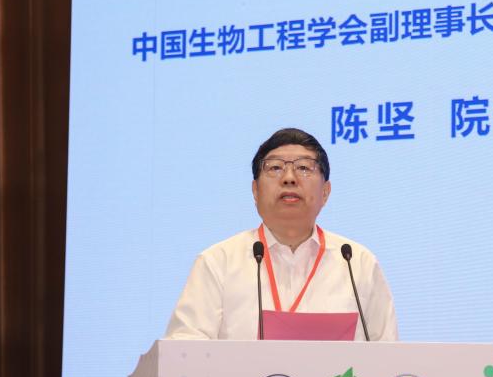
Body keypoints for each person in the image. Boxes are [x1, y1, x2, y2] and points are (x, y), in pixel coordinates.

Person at [165, 127, 397, 341]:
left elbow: (389, 358)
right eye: (275, 168)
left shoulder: (357, 264)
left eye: (304, 168)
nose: (289, 178)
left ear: (325, 192)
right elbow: (183, 353)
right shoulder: (218, 263)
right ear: (255, 191)